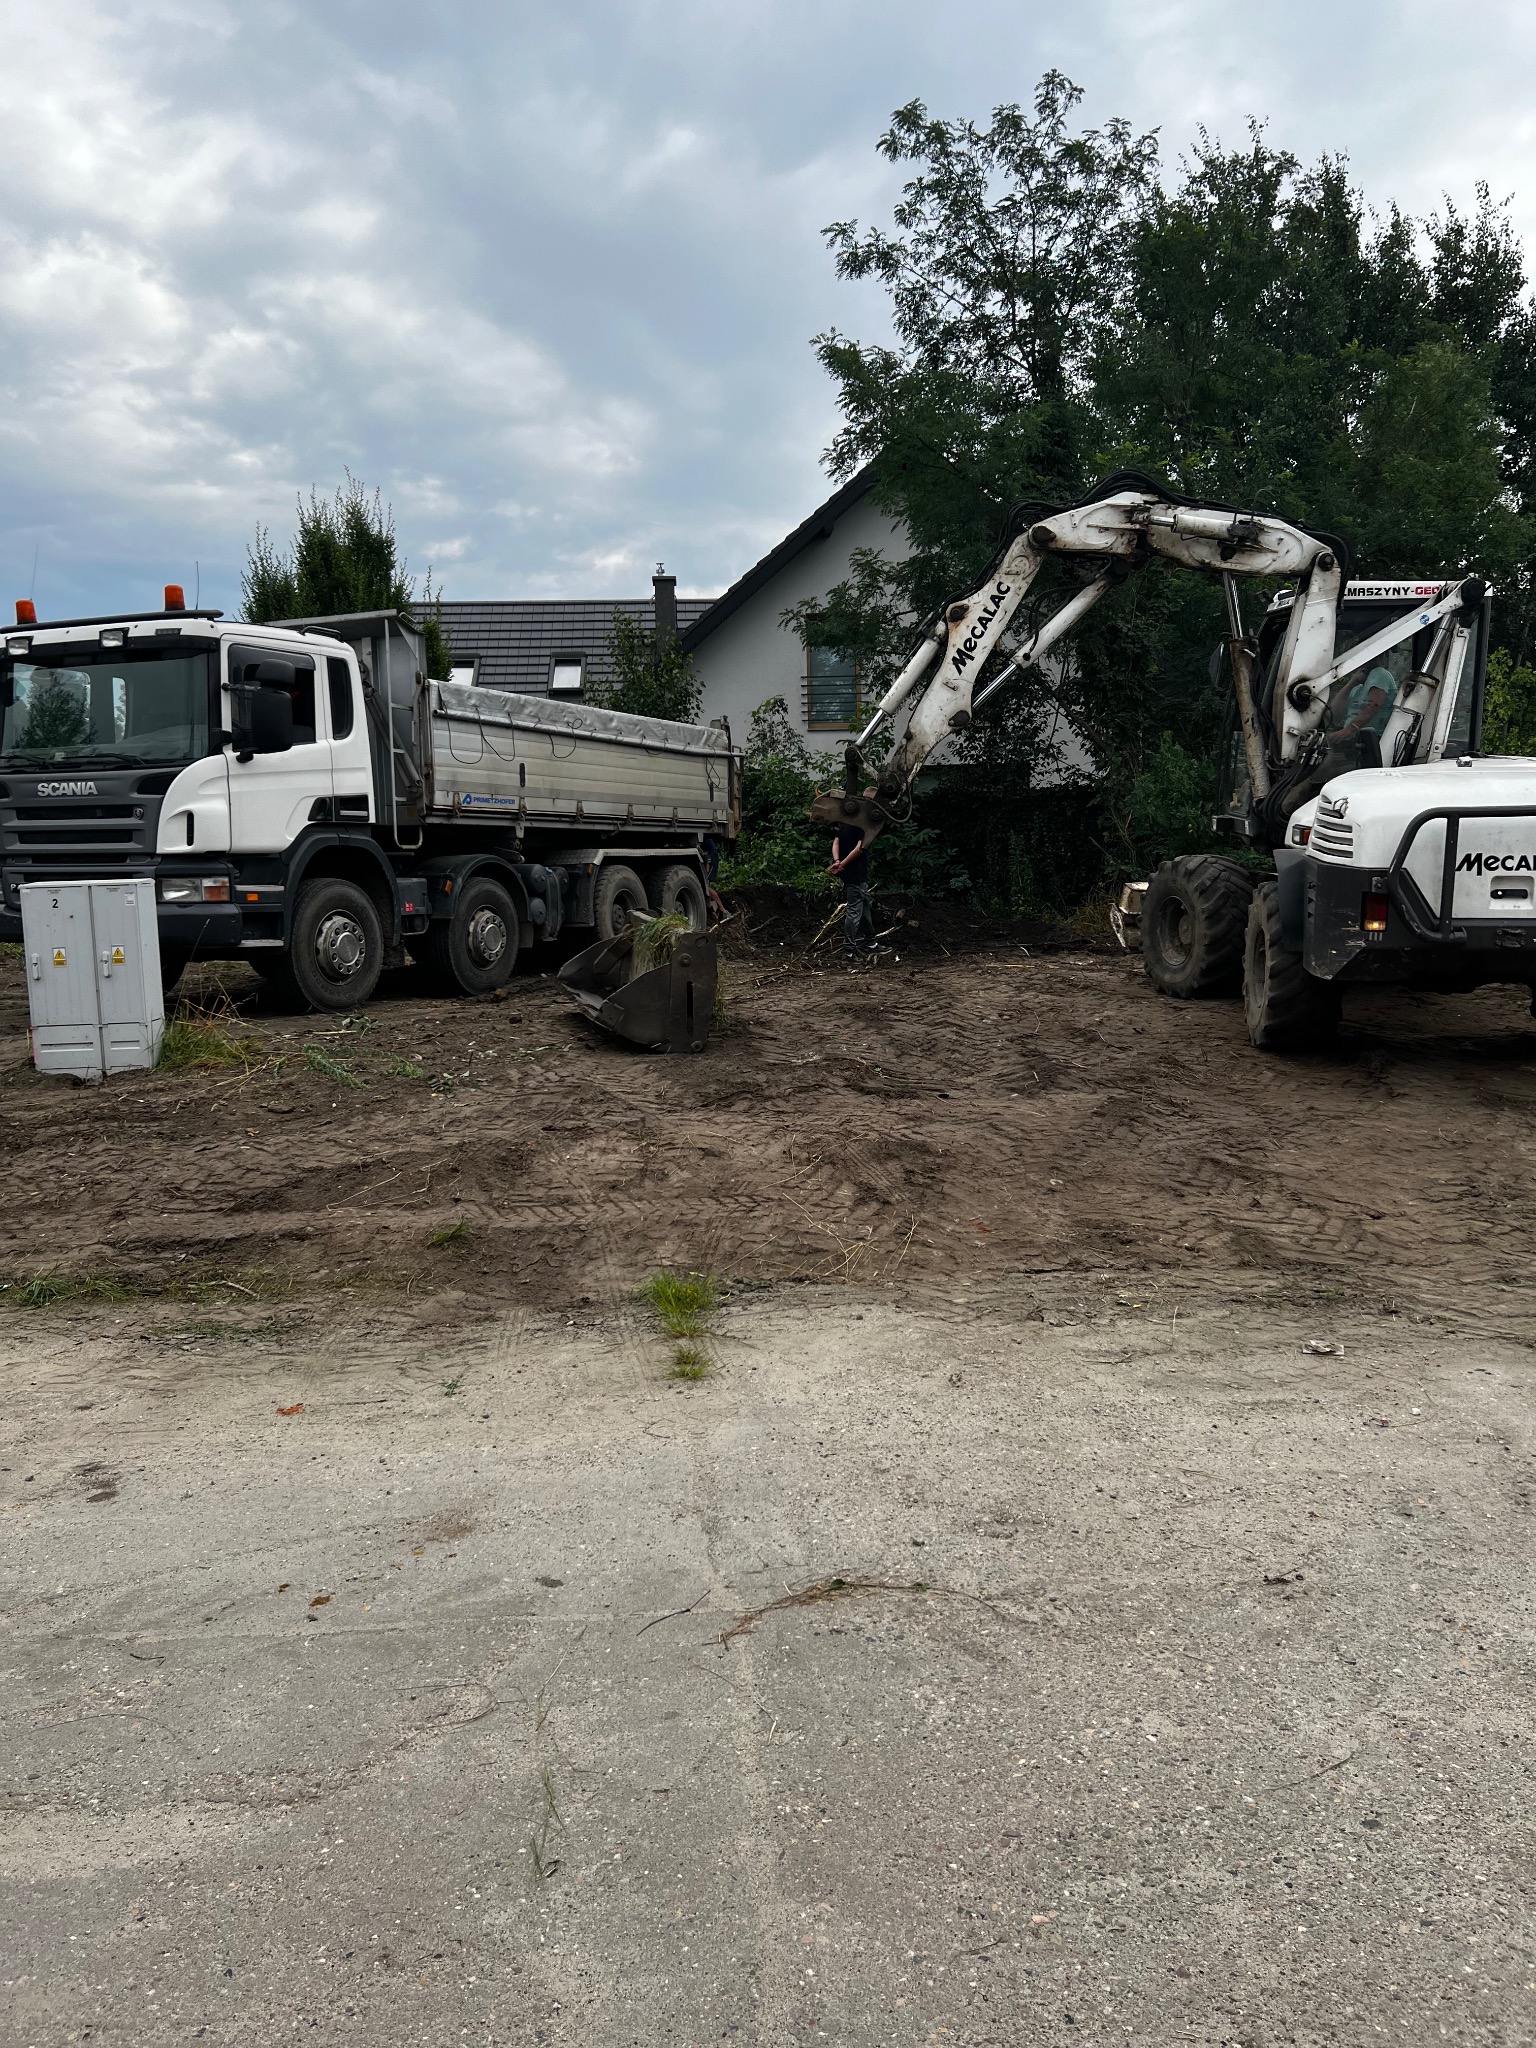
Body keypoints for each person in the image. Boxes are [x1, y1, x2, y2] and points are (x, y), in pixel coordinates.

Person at [831, 790, 879, 965]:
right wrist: (842, 864)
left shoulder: (844, 818)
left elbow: (836, 841)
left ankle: (871, 942)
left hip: (848, 871)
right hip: (855, 872)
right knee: (854, 911)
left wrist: (837, 861)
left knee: (865, 904)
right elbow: (858, 849)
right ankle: (849, 952)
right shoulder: (864, 823)